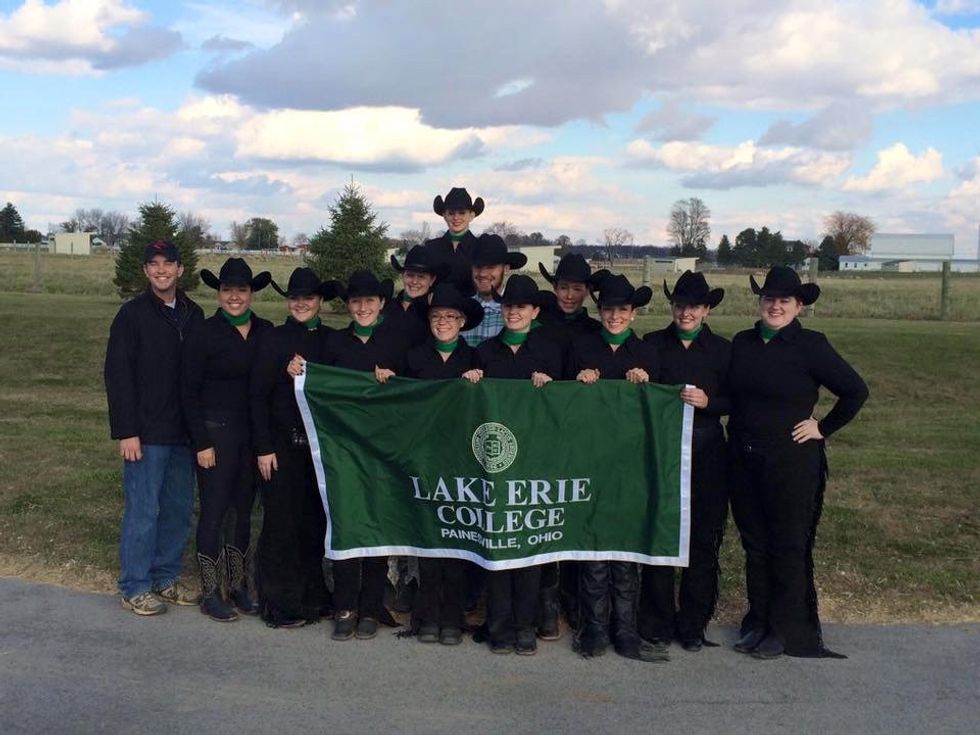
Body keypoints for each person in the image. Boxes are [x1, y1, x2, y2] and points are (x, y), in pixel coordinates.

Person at [728, 266, 868, 659]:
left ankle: (783, 628)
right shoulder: (743, 342)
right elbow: (727, 393)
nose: (775, 306)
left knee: (787, 544)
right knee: (754, 543)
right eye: (769, 299)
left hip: (789, 461)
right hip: (742, 457)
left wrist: (823, 427)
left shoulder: (811, 345)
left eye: (784, 301)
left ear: (799, 306)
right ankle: (757, 620)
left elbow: (855, 390)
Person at [567, 272, 665, 662]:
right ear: (600, 311)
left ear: (633, 314)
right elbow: (562, 402)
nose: (614, 316)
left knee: (623, 545)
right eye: (608, 309)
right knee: (593, 542)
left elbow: (662, 409)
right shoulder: (581, 348)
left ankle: (625, 628)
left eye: (622, 310)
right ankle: (593, 627)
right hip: (590, 457)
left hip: (631, 461)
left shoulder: (646, 354)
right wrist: (577, 383)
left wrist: (648, 385)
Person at [105, 239, 204, 615]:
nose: (162, 271)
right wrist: (127, 430)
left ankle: (165, 576)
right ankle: (135, 584)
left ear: (180, 269)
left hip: (183, 432)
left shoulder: (193, 314)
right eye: (154, 264)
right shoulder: (132, 316)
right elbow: (118, 376)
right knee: (143, 510)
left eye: (169, 264)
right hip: (146, 433)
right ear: (146, 271)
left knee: (178, 509)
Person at [639, 271, 731, 651]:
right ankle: (657, 621)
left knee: (703, 538)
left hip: (708, 451)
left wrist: (712, 403)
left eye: (694, 306)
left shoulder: (724, 351)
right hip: (662, 452)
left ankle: (694, 623)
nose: (686, 312)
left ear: (706, 310)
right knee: (661, 534)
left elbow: (737, 400)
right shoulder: (652, 344)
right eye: (679, 305)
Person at [319, 270, 410, 641]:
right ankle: (345, 605)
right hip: (343, 448)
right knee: (347, 522)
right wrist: (300, 372)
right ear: (348, 305)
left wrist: (395, 379)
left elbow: (413, 393)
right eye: (356, 302)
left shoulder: (395, 344)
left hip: (383, 449)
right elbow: (318, 383)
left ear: (381, 304)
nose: (362, 308)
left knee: (376, 523)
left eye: (369, 301)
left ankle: (371, 604)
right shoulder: (335, 344)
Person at [181, 258, 273, 622]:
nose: (234, 297)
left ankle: (237, 584)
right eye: (227, 290)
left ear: (251, 294)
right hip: (215, 432)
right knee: (215, 511)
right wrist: (200, 441)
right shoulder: (203, 333)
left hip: (251, 434)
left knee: (242, 511)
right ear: (219, 293)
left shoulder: (265, 330)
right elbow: (188, 392)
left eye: (241, 290)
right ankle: (210, 589)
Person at [475, 274, 562, 655]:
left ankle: (525, 625)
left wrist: (552, 385)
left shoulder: (549, 350)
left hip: (534, 459)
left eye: (521, 307)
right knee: (497, 540)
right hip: (494, 459)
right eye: (509, 306)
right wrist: (471, 382)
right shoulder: (487, 351)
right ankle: (499, 624)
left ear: (535, 311)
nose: (514, 312)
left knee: (526, 543)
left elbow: (566, 404)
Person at [250, 267, 337, 628]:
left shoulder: (332, 342)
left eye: (309, 298)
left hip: (317, 450)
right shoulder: (274, 339)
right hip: (282, 445)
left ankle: (311, 594)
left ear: (319, 301)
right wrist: (263, 447)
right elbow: (256, 396)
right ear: (288, 301)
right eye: (295, 298)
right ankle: (278, 601)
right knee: (281, 524)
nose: (301, 303)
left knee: (313, 523)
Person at [404, 283, 484, 645]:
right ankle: (426, 615)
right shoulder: (414, 357)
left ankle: (452, 614)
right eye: (437, 316)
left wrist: (478, 384)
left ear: (463, 321)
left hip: (461, 459)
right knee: (427, 536)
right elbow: (398, 403)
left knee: (456, 536)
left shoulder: (475, 360)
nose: (444, 322)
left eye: (451, 317)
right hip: (423, 455)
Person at [535, 252, 601, 635]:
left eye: (577, 288)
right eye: (564, 287)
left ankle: (576, 598)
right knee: (546, 510)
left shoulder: (594, 330)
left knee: (575, 510)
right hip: (543, 430)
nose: (570, 295)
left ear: (588, 292)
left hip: (581, 432)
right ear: (555, 289)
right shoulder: (540, 327)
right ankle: (546, 598)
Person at [461, 233, 527, 347]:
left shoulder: (521, 312)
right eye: (478, 267)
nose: (482, 273)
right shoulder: (461, 310)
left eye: (490, 267)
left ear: (506, 268)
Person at [424, 187, 484, 293]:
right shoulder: (430, 248)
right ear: (444, 216)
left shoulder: (481, 248)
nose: (456, 217)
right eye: (451, 213)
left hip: (471, 307)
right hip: (437, 308)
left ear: (471, 215)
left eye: (462, 213)